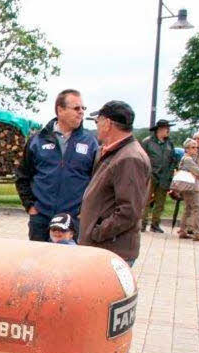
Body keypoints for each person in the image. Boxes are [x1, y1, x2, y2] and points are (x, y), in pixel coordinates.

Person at [15, 89, 99, 242]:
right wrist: (31, 207)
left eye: (83, 108)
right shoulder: (37, 140)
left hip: (72, 221)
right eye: (76, 108)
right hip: (42, 219)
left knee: (70, 265)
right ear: (60, 110)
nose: (81, 112)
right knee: (38, 263)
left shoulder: (90, 142)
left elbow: (97, 182)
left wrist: (83, 212)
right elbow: (22, 176)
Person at [78, 101, 150, 265]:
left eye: (98, 121)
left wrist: (96, 233)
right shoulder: (112, 151)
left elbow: (129, 211)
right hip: (102, 248)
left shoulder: (130, 158)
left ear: (108, 123)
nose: (97, 126)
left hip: (112, 251)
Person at [140, 119, 176, 233]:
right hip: (150, 175)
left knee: (160, 202)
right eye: (167, 128)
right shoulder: (147, 142)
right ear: (160, 130)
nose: (168, 131)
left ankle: (155, 224)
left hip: (164, 177)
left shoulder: (169, 143)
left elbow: (173, 160)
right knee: (145, 201)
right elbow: (141, 158)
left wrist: (170, 173)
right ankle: (142, 224)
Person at [177, 138, 199, 242]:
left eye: (196, 147)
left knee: (188, 208)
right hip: (193, 187)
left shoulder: (186, 158)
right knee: (198, 209)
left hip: (187, 187)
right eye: (193, 147)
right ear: (186, 149)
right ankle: (198, 233)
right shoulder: (188, 159)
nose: (196, 149)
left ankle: (183, 230)